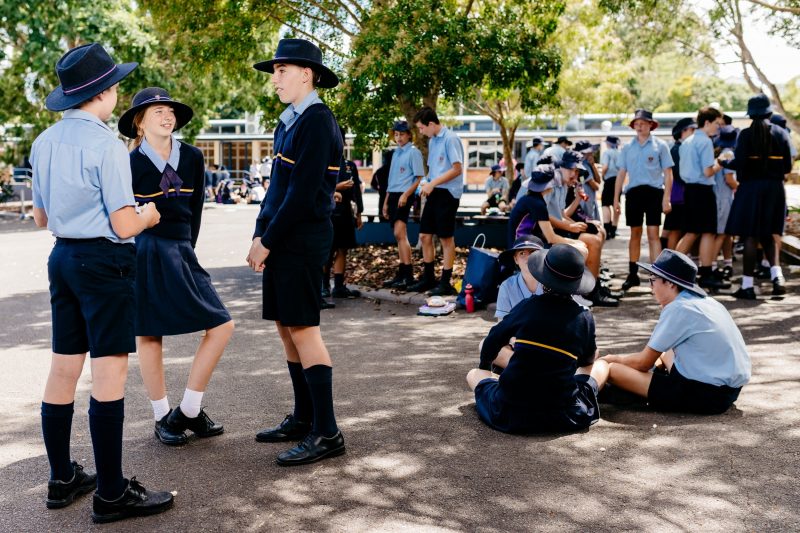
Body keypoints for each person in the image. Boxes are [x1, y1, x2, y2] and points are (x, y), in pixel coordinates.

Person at [31, 43, 173, 523]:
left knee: (63, 369)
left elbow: (39, 216)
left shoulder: (44, 142)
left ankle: (61, 477)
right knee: (108, 373)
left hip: (63, 257)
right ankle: (111, 494)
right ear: (105, 93)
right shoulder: (108, 147)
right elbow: (122, 224)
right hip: (104, 262)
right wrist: (149, 214)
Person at [117, 87, 235, 446]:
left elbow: (196, 211)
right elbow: (121, 217)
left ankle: (187, 410)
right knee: (150, 334)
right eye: (156, 112)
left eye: (169, 111)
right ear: (139, 123)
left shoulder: (194, 157)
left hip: (181, 249)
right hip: (145, 251)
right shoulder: (129, 163)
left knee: (221, 325)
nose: (166, 116)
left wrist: (187, 250)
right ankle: (161, 417)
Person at [247, 38, 346, 465]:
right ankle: (305, 417)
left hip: (303, 239)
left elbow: (305, 195)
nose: (275, 78)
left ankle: (327, 432)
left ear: (307, 73)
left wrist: (267, 240)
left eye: (281, 70)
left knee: (304, 329)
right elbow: (276, 189)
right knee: (286, 326)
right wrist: (259, 232)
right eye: (274, 71)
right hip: (282, 238)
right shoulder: (289, 121)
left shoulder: (318, 122)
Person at [466, 245, 609, 434]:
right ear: (577, 284)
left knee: (474, 374)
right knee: (602, 364)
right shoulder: (584, 317)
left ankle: (500, 381)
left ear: (544, 276)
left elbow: (493, 339)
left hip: (511, 412)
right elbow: (587, 361)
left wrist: (485, 368)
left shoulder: (527, 307)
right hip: (562, 414)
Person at [601, 250, 750, 414]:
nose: (651, 287)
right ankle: (648, 385)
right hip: (730, 391)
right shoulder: (707, 302)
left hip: (706, 396)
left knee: (613, 370)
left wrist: (610, 358)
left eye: (653, 280)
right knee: (666, 352)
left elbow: (643, 362)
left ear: (670, 283)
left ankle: (639, 388)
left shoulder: (678, 308)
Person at [723, 94, 793, 299]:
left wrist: (723, 163)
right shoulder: (781, 133)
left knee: (751, 236)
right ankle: (777, 278)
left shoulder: (745, 134)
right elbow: (788, 166)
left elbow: (740, 163)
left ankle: (747, 286)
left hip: (750, 189)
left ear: (751, 115)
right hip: (774, 189)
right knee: (770, 234)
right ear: (769, 112)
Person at [614, 109, 674, 291]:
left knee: (653, 234)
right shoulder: (627, 147)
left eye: (642, 123)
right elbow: (621, 173)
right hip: (634, 193)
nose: (639, 127)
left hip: (654, 193)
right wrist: (615, 198)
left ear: (650, 125)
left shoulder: (660, 146)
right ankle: (633, 273)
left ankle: (656, 275)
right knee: (635, 233)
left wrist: (666, 198)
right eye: (636, 124)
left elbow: (668, 174)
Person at [410, 106, 465, 296]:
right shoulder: (433, 141)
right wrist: (426, 182)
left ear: (431, 124)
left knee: (446, 238)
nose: (421, 132)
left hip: (448, 193)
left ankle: (445, 282)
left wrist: (432, 183)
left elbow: (457, 169)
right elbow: (435, 170)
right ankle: (428, 279)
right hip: (434, 191)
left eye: (421, 128)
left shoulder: (451, 139)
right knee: (425, 236)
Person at [674, 107, 729, 290]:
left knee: (691, 231)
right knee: (707, 232)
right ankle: (706, 273)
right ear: (707, 122)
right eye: (716, 124)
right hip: (703, 190)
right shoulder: (705, 142)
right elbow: (707, 171)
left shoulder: (686, 141)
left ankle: (671, 268)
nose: (718, 128)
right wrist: (721, 162)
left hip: (689, 190)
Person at [382, 120, 424, 290]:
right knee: (398, 235)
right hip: (392, 195)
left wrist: (407, 194)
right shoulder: (396, 153)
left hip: (403, 196)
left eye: (402, 134)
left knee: (401, 233)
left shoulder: (414, 152)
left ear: (409, 134)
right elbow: (391, 180)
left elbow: (420, 177)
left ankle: (408, 275)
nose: (398, 137)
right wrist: (385, 202)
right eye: (396, 134)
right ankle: (402, 273)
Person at [326, 142, 364, 299]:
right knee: (327, 251)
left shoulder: (349, 165)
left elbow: (356, 191)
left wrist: (359, 213)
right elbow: (317, 186)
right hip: (328, 212)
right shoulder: (323, 163)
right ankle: (324, 286)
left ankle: (339, 286)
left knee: (343, 249)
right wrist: (338, 187)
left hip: (346, 212)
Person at [663, 118, 696, 250]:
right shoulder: (677, 149)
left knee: (675, 229)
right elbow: (679, 173)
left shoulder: (680, 147)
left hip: (680, 194)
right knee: (675, 229)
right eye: (692, 130)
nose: (695, 133)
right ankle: (669, 261)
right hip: (678, 195)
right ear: (684, 131)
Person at [711, 125, 739, 280]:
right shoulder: (728, 154)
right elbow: (730, 179)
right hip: (723, 198)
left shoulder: (718, 152)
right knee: (721, 234)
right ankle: (712, 265)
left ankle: (727, 262)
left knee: (726, 234)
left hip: (718, 197)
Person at [494, 235, 544, 319]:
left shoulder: (554, 283)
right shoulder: (507, 286)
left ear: (543, 256)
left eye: (533, 252)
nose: (528, 258)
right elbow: (502, 324)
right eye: (522, 253)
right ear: (516, 259)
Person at [599, 135, 621, 238]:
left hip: (609, 180)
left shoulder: (607, 153)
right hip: (618, 179)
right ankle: (614, 228)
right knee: (616, 203)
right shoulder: (620, 153)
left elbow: (605, 167)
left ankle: (607, 229)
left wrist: (601, 175)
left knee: (605, 204)